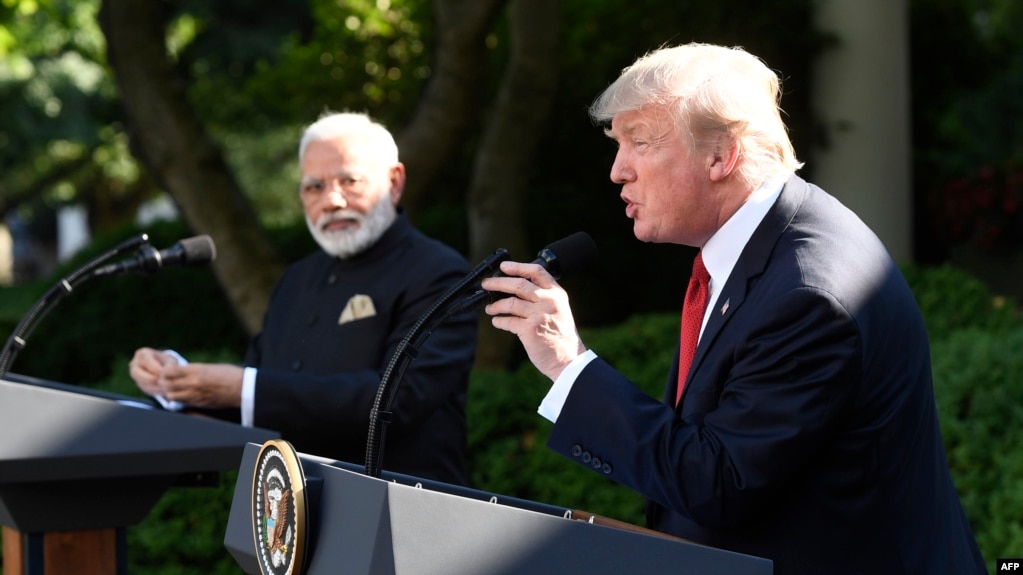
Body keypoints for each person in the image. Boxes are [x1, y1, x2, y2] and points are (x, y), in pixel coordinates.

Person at [482, 43, 986, 574]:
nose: (617, 171)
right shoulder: (757, 247)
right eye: (617, 144)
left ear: (721, 155)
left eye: (639, 143)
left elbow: (717, 482)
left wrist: (568, 364)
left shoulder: (808, 295)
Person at [129, 111, 477, 485]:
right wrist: (178, 383)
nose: (331, 200)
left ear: (394, 182)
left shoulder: (439, 272)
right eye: (314, 187)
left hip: (400, 514)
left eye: (350, 180)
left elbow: (396, 400)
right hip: (285, 517)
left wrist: (241, 387)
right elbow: (260, 403)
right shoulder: (296, 278)